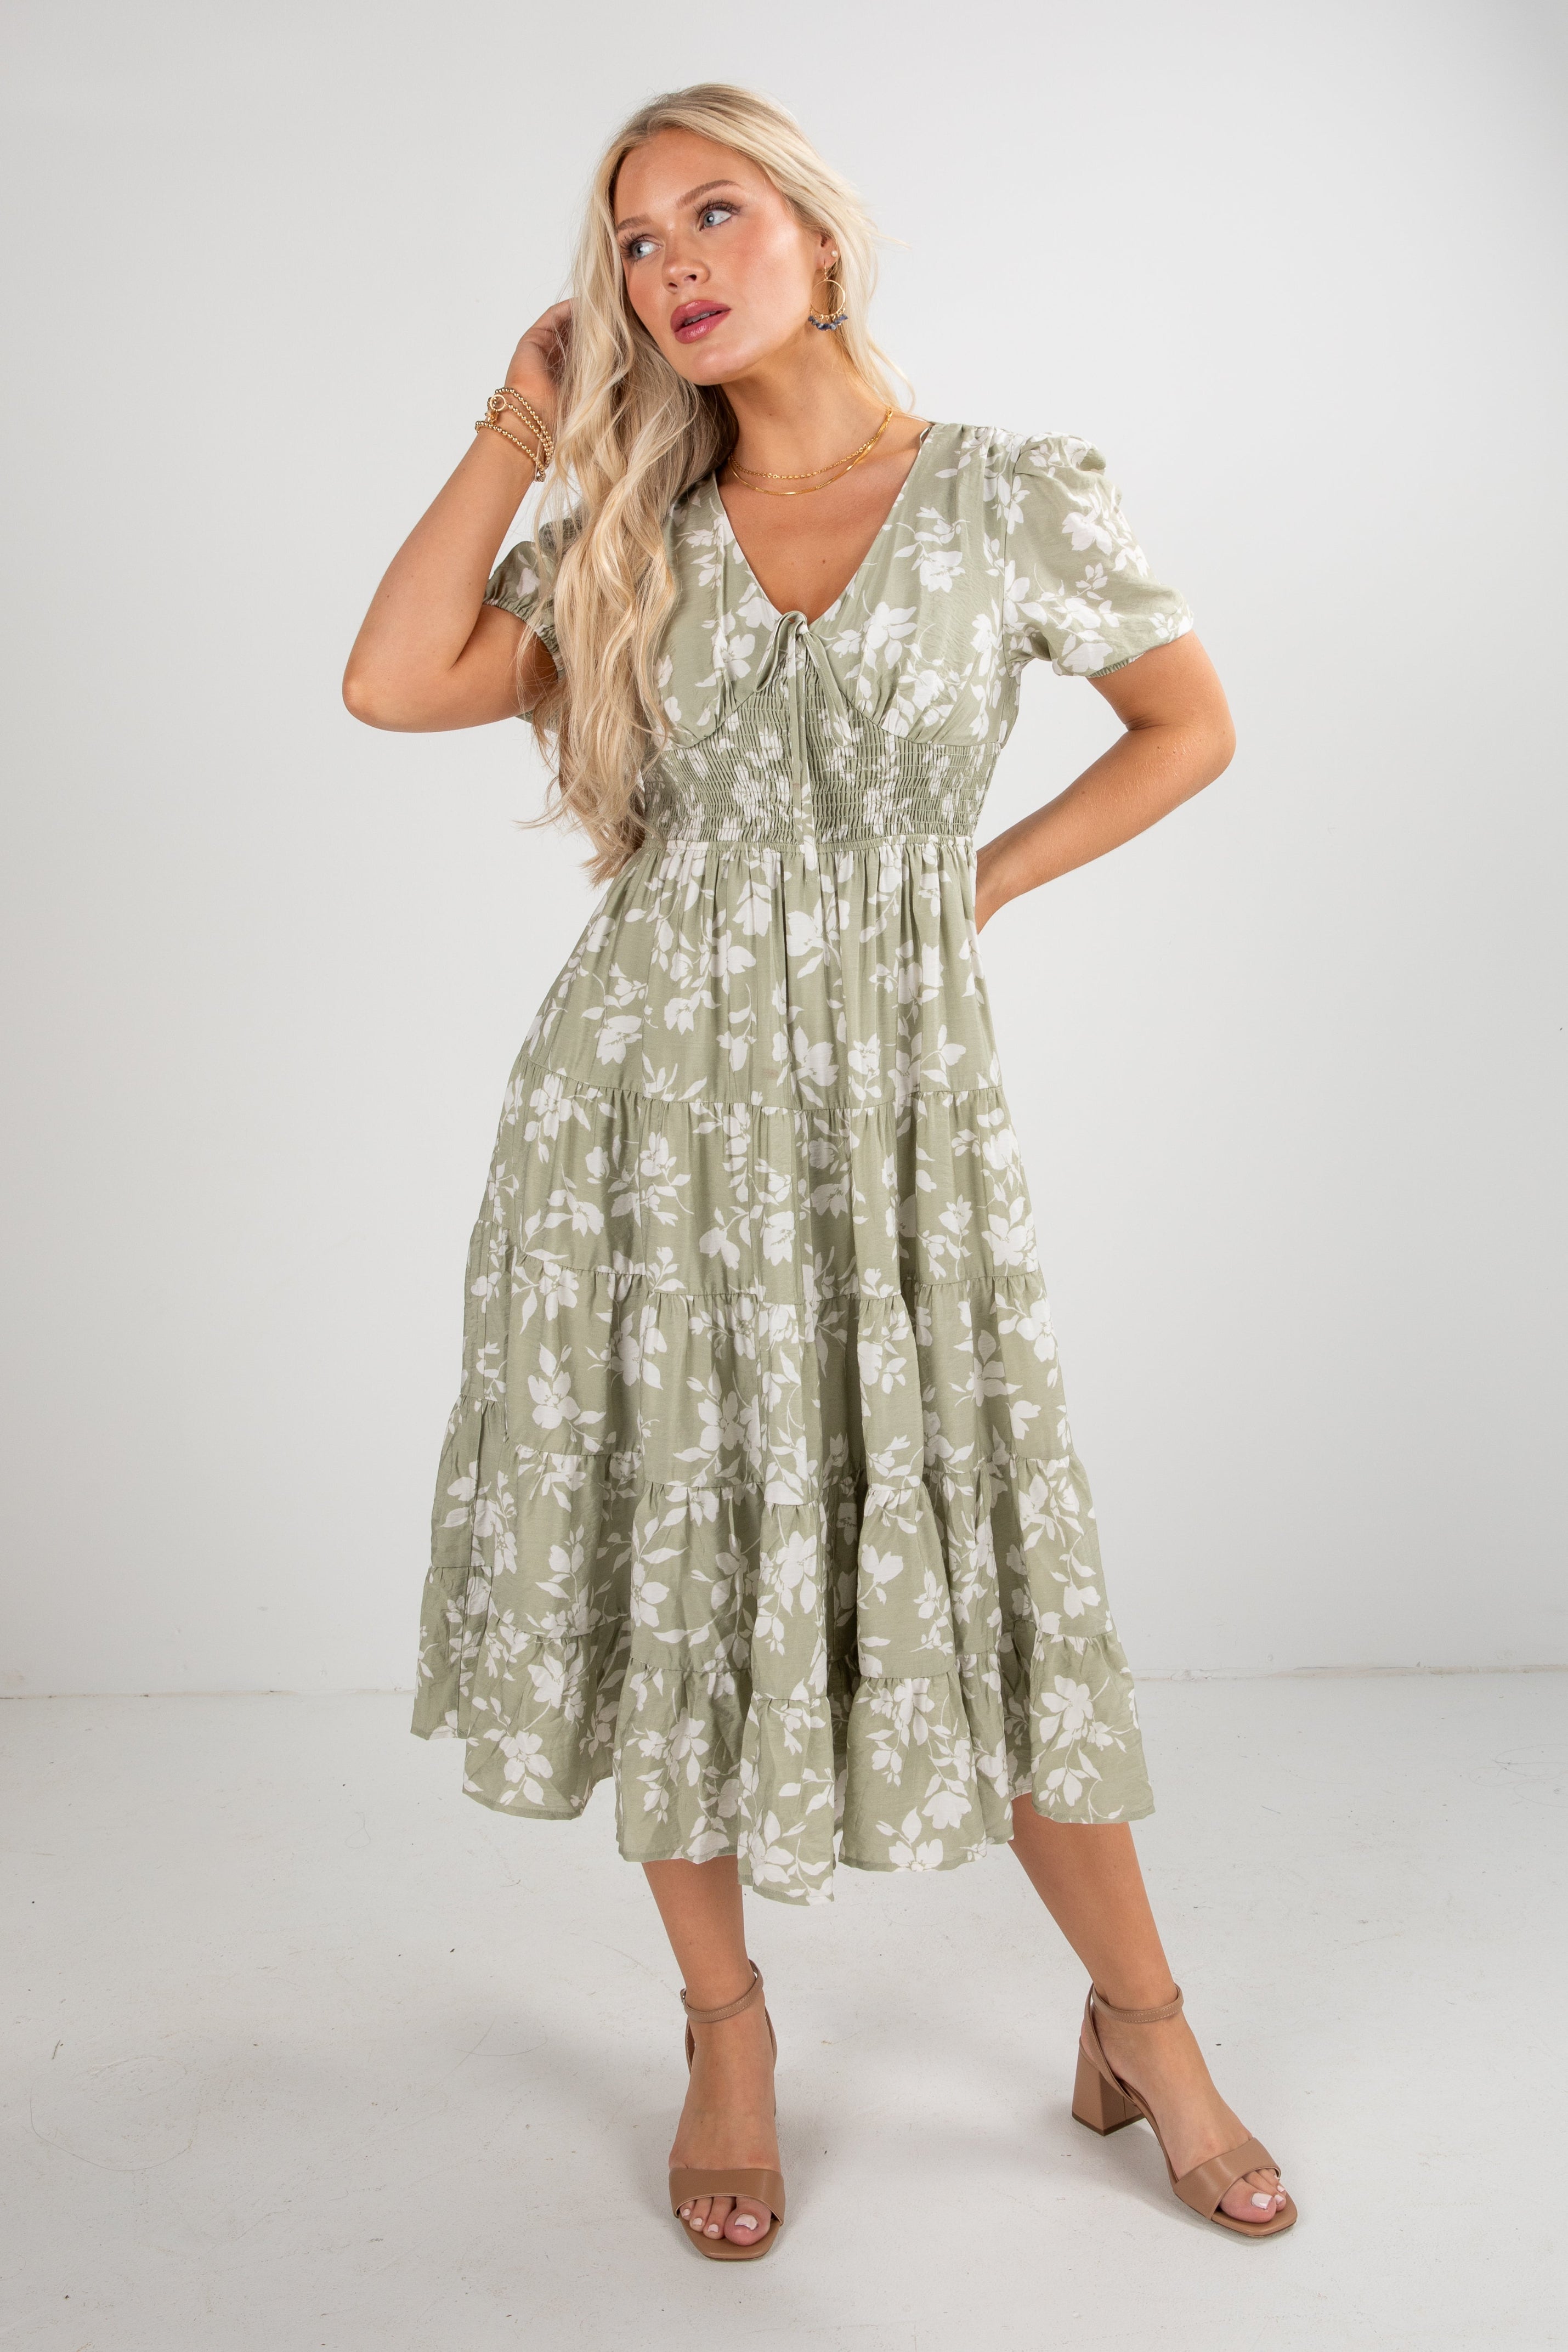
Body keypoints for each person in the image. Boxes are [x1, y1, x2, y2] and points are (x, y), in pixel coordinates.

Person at [344, 82, 1296, 2258]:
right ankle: (726, 2025)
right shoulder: (632, 537)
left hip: (891, 1128)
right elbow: (389, 678)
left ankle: (1144, 2021)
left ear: (820, 234)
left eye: (715, 211)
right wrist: (515, 425)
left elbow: (1187, 724)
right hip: (637, 1120)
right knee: (674, 1555)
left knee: (995, 1565)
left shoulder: (1003, 500)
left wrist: (973, 888)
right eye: (636, 242)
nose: (674, 264)